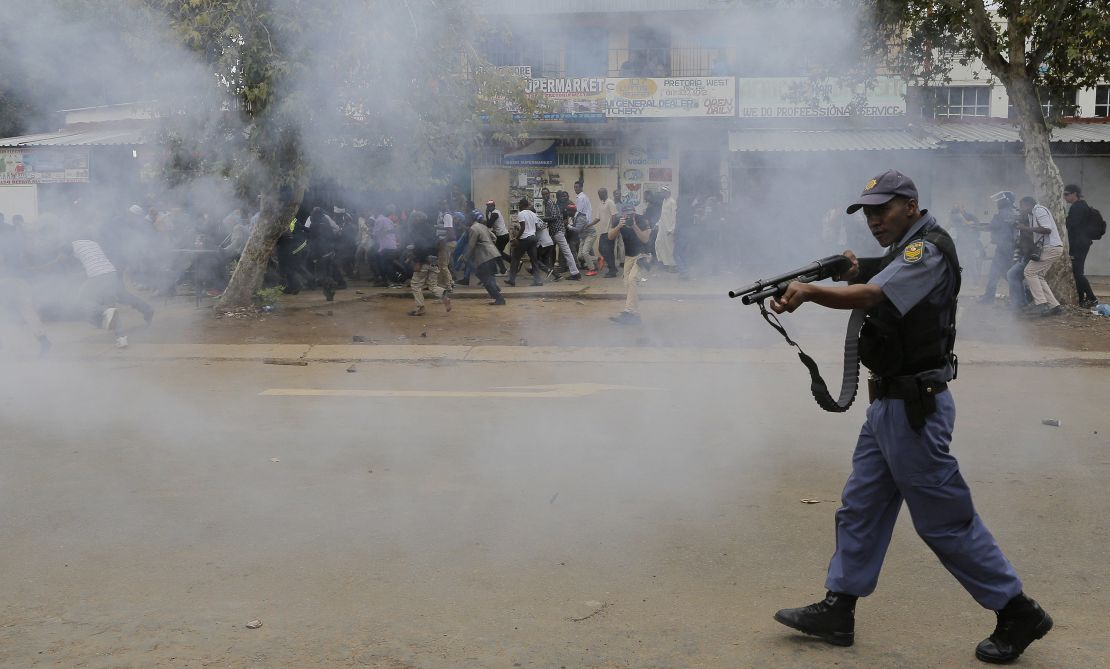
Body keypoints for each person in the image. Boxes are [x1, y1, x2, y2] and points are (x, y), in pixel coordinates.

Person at [769, 170, 1052, 664]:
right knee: (861, 507)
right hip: (888, 405)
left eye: (883, 210)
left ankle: (1017, 610)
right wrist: (853, 270)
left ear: (910, 205)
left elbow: (877, 295)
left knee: (945, 521)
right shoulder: (906, 250)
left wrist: (812, 292)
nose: (875, 220)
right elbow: (878, 279)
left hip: (915, 407)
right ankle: (840, 608)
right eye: (868, 213)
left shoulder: (928, 249)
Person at [1015, 196, 1064, 317]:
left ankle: (1041, 304)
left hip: (1051, 247)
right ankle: (1055, 306)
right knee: (1039, 276)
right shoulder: (1032, 214)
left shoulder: (1039, 210)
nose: (1021, 209)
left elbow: (1047, 229)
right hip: (1051, 248)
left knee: (1029, 272)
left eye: (1022, 206)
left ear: (1027, 204)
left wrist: (1025, 228)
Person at [609, 203, 652, 325]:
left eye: (631, 214)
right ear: (622, 214)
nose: (629, 216)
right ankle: (635, 315)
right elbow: (610, 236)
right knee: (627, 284)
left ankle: (628, 312)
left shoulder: (641, 219)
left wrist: (633, 226)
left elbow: (645, 239)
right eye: (627, 214)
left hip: (643, 255)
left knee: (632, 279)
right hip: (629, 256)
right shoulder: (619, 220)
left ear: (634, 213)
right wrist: (618, 226)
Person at [405, 211, 450, 316]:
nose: (412, 220)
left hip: (424, 260)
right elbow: (435, 245)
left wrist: (418, 261)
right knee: (432, 285)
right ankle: (443, 294)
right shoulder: (431, 229)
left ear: (418, 219)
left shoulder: (417, 230)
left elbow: (421, 247)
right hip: (434, 260)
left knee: (415, 284)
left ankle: (420, 308)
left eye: (414, 218)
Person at [979, 191, 1020, 304]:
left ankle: (1022, 296)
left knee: (1000, 273)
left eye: (999, 201)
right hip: (1009, 248)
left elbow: (993, 227)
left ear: (1005, 201)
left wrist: (977, 227)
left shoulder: (1002, 213)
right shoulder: (1012, 212)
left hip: (1004, 248)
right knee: (1002, 273)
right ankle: (1019, 297)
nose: (997, 203)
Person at [1063, 184, 1099, 308]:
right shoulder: (1080, 206)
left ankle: (1092, 298)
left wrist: (1063, 217)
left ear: (1074, 194)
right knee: (1077, 272)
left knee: (1077, 273)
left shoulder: (1078, 207)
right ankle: (1081, 300)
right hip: (1081, 243)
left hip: (1079, 244)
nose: (1065, 197)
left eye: (1066, 194)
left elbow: (1071, 224)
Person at [463, 209, 505, 305]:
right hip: (493, 253)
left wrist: (465, 257)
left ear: (470, 219)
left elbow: (471, 245)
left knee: (485, 279)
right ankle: (496, 290)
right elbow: (494, 237)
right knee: (487, 276)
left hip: (484, 256)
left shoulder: (473, 228)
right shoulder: (482, 226)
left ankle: (499, 297)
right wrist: (488, 244)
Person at [507, 199, 544, 287]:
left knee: (515, 258)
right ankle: (538, 280)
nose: (519, 206)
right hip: (533, 238)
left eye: (519, 205)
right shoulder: (533, 214)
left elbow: (523, 228)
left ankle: (512, 280)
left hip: (525, 239)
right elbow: (536, 227)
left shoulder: (521, 213)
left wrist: (516, 238)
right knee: (534, 260)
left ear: (522, 205)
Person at [654, 185, 678, 270]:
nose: (661, 194)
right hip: (662, 228)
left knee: (669, 247)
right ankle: (663, 262)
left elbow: (675, 217)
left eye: (663, 192)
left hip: (669, 229)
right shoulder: (664, 201)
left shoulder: (672, 202)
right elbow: (662, 215)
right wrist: (658, 224)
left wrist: (672, 229)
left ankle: (673, 265)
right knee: (658, 243)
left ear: (668, 193)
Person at [595, 187, 618, 275]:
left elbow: (614, 216)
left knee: (605, 249)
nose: (599, 196)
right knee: (605, 250)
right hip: (603, 231)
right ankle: (613, 269)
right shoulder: (601, 203)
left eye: (600, 194)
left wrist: (612, 229)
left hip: (609, 231)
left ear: (605, 193)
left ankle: (612, 270)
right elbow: (597, 218)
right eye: (598, 194)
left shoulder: (610, 202)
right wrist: (589, 224)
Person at [485, 200, 510, 275]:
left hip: (502, 236)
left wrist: (486, 215)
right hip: (504, 235)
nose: (487, 208)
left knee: (496, 253)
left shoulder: (494, 213)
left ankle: (503, 271)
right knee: (499, 253)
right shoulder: (496, 212)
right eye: (487, 206)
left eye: (489, 206)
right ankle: (514, 261)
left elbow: (489, 225)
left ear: (493, 206)